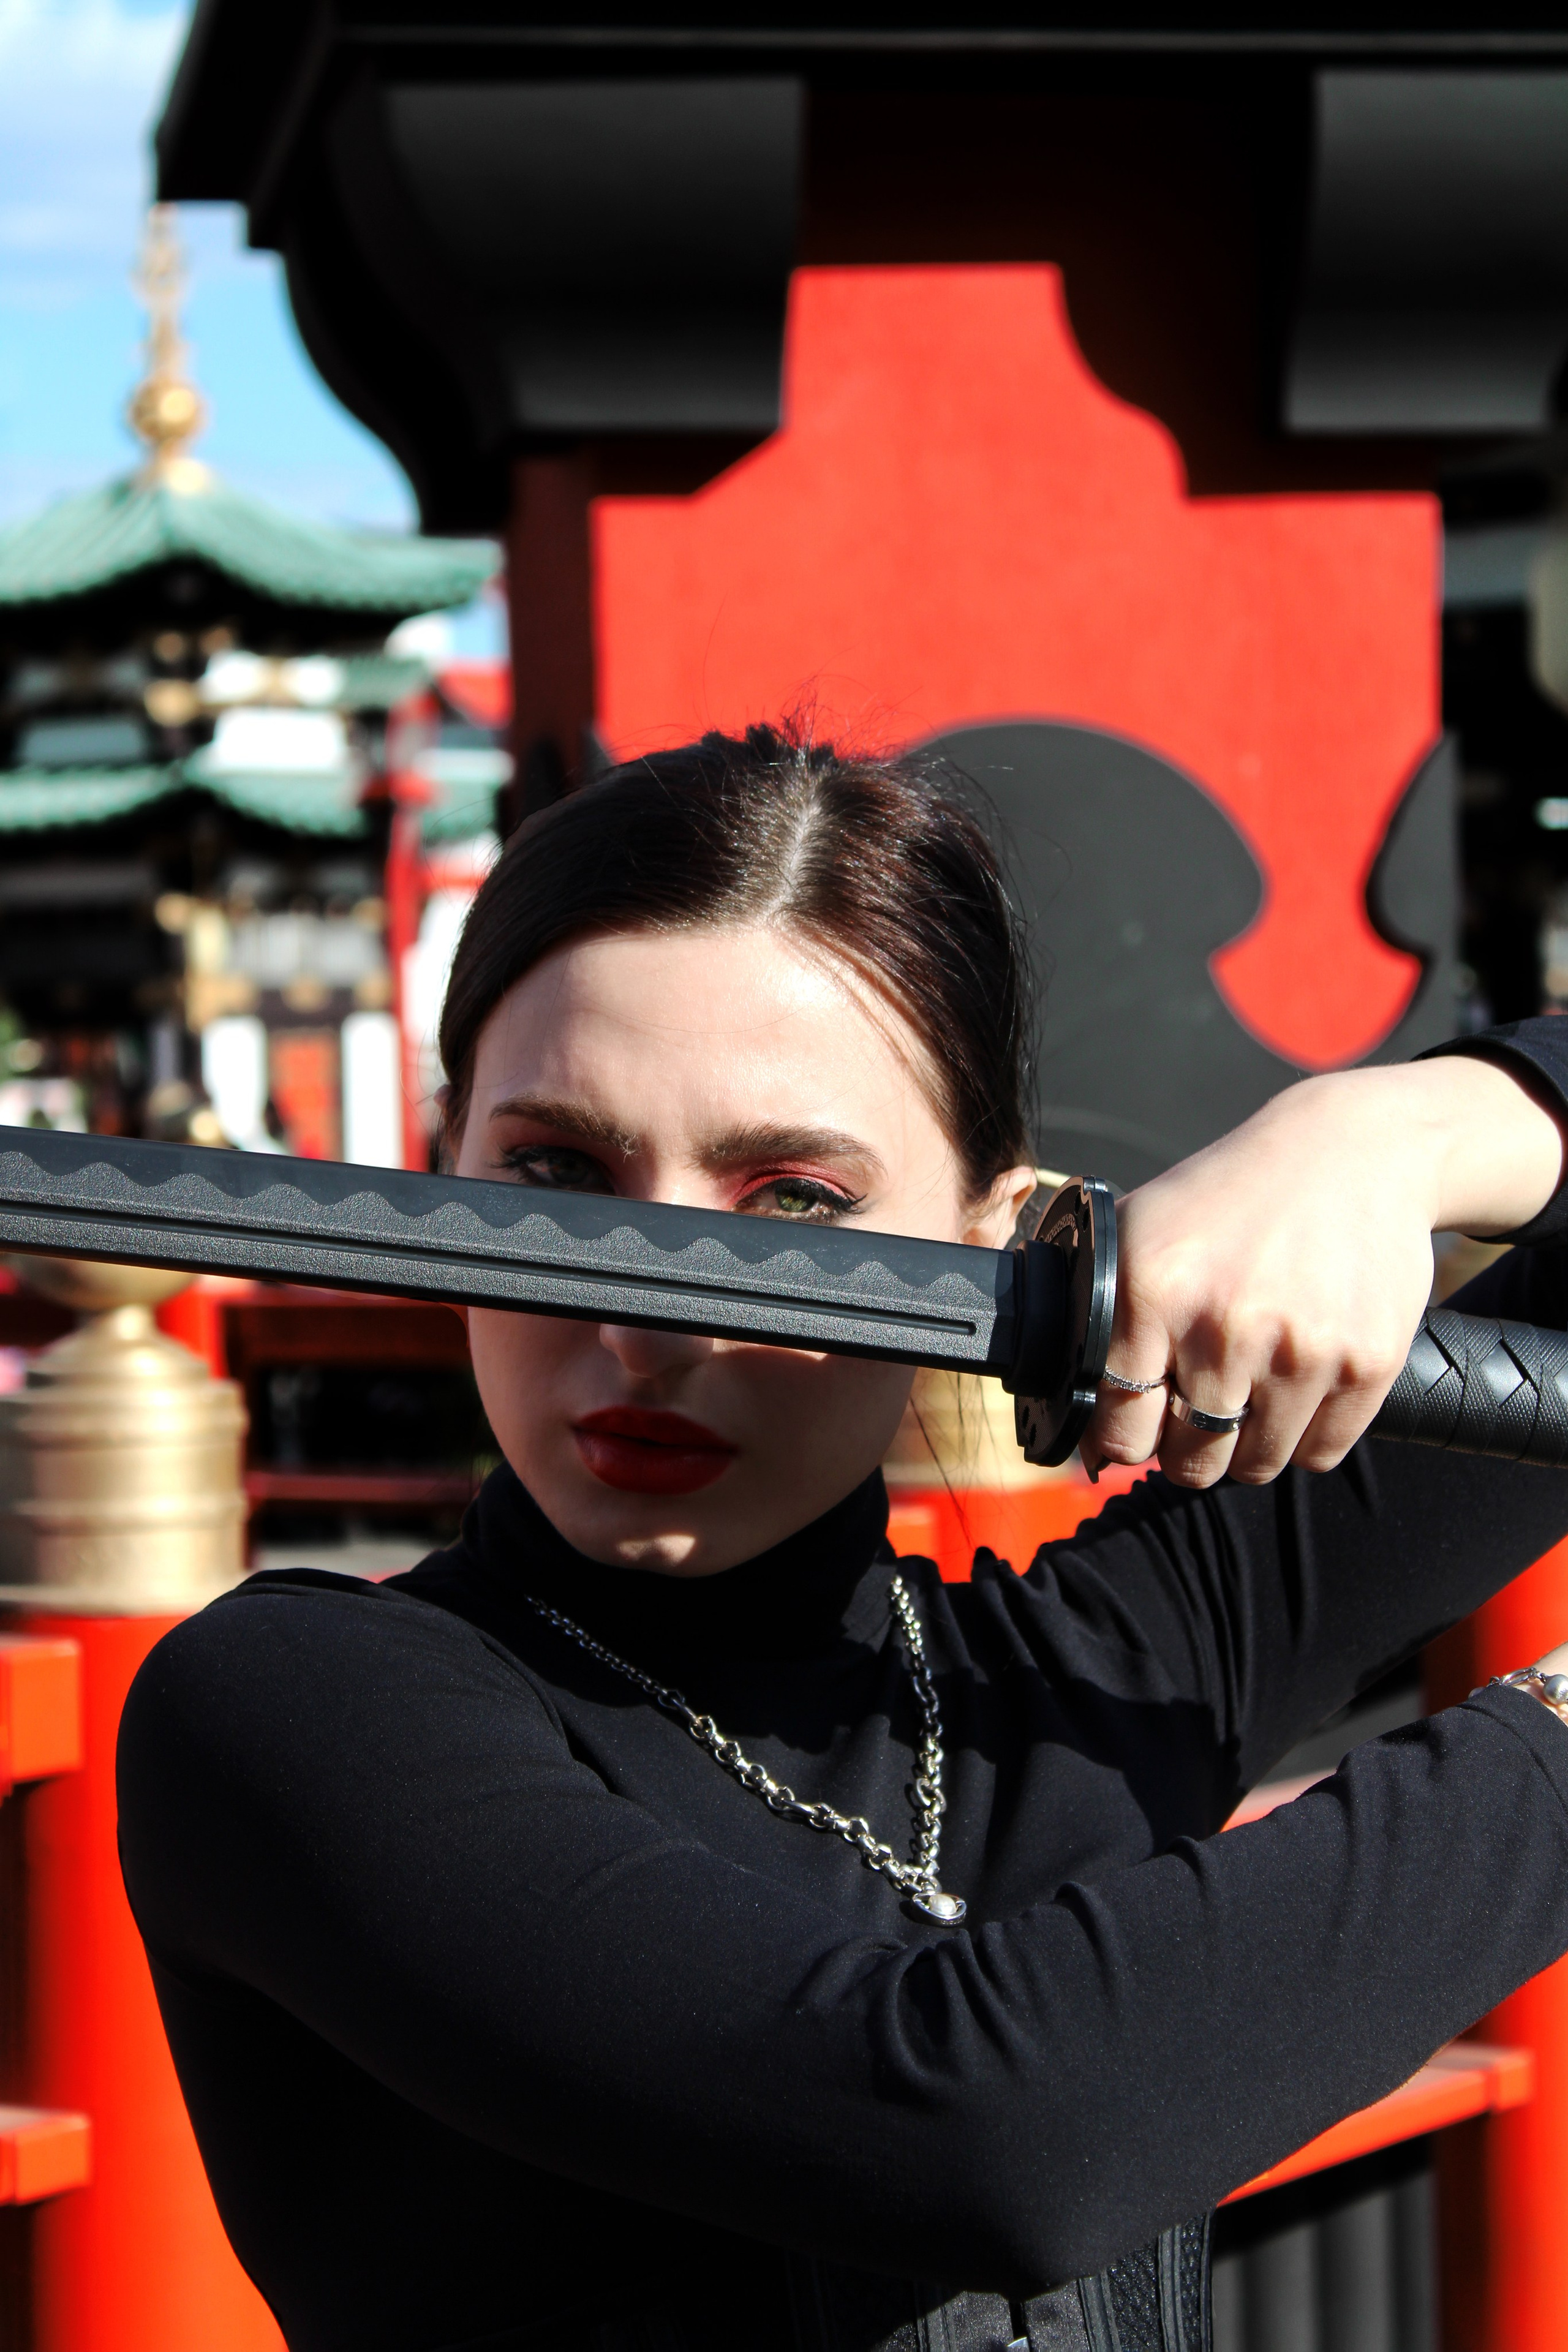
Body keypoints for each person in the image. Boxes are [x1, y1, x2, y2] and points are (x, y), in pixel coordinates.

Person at [118, 726, 1568, 2352]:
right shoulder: (289, 1711)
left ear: (994, 1237)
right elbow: (979, 2126)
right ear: (446, 1163)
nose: (644, 1322)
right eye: (553, 1173)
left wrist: (1394, 1135)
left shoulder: (1099, 1668)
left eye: (795, 1199)